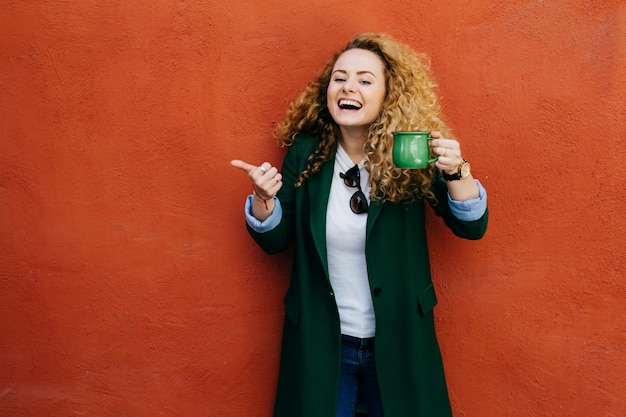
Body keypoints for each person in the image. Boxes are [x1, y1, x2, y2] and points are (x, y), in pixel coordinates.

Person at [231, 32, 488, 417]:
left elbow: (471, 227)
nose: (349, 86)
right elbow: (276, 240)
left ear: (389, 95)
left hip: (399, 339)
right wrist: (265, 202)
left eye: (365, 80)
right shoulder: (306, 151)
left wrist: (458, 172)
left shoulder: (409, 151)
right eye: (340, 78)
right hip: (323, 342)